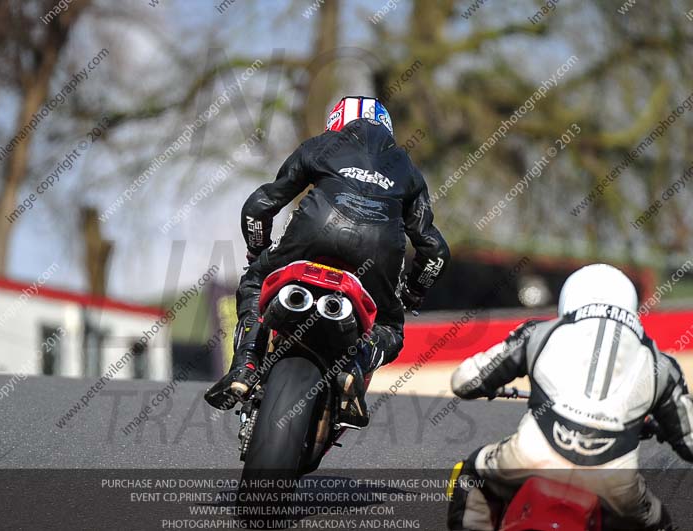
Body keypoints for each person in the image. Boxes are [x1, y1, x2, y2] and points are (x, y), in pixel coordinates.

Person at [204, 96, 450, 426]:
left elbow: (258, 206)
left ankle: (245, 364)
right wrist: (412, 295)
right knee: (389, 329)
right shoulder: (408, 169)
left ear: (336, 122)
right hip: (378, 255)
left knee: (255, 282)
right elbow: (435, 251)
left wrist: (257, 254)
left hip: (313, 234)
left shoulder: (321, 145)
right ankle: (355, 365)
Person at [447, 264, 693, 531]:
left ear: (569, 297)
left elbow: (463, 382)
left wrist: (490, 387)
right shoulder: (661, 364)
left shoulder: (539, 333)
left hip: (530, 457)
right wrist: (663, 430)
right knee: (659, 523)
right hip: (616, 486)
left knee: (472, 474)